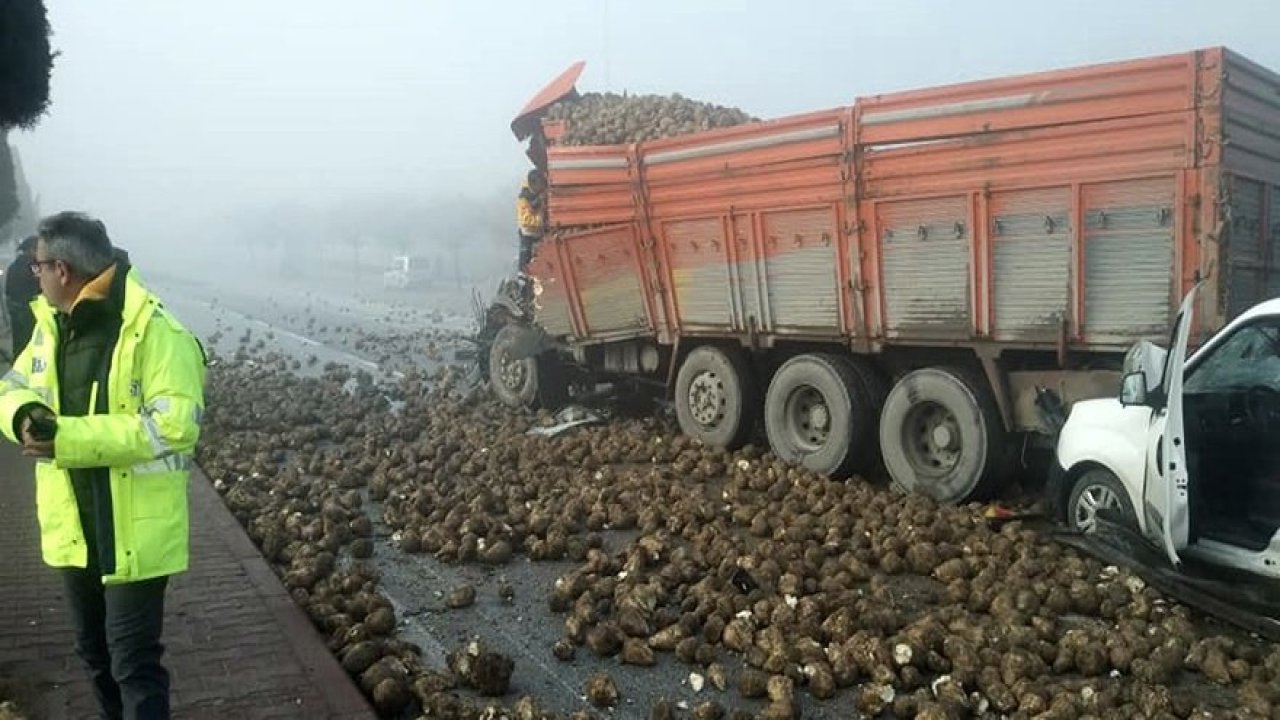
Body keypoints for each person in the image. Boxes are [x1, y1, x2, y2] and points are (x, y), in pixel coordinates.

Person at [0, 211, 207, 720]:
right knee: (94, 655)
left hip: (136, 532)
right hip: (75, 527)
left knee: (133, 663)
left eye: (38, 266)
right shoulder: (52, 328)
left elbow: (175, 426)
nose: (36, 276)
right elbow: (12, 386)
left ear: (62, 270)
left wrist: (65, 438)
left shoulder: (158, 333)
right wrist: (24, 415)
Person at [4, 234, 40, 357]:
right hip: (30, 310)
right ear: (31, 249)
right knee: (33, 342)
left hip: (16, 310)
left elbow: (8, 290)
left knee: (19, 343)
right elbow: (39, 285)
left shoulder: (13, 266)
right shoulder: (34, 266)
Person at [516, 169, 547, 271]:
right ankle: (524, 282)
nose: (542, 188)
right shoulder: (524, 199)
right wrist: (541, 221)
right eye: (540, 185)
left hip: (539, 233)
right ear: (533, 184)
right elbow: (525, 220)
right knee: (526, 265)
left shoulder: (537, 192)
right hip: (528, 235)